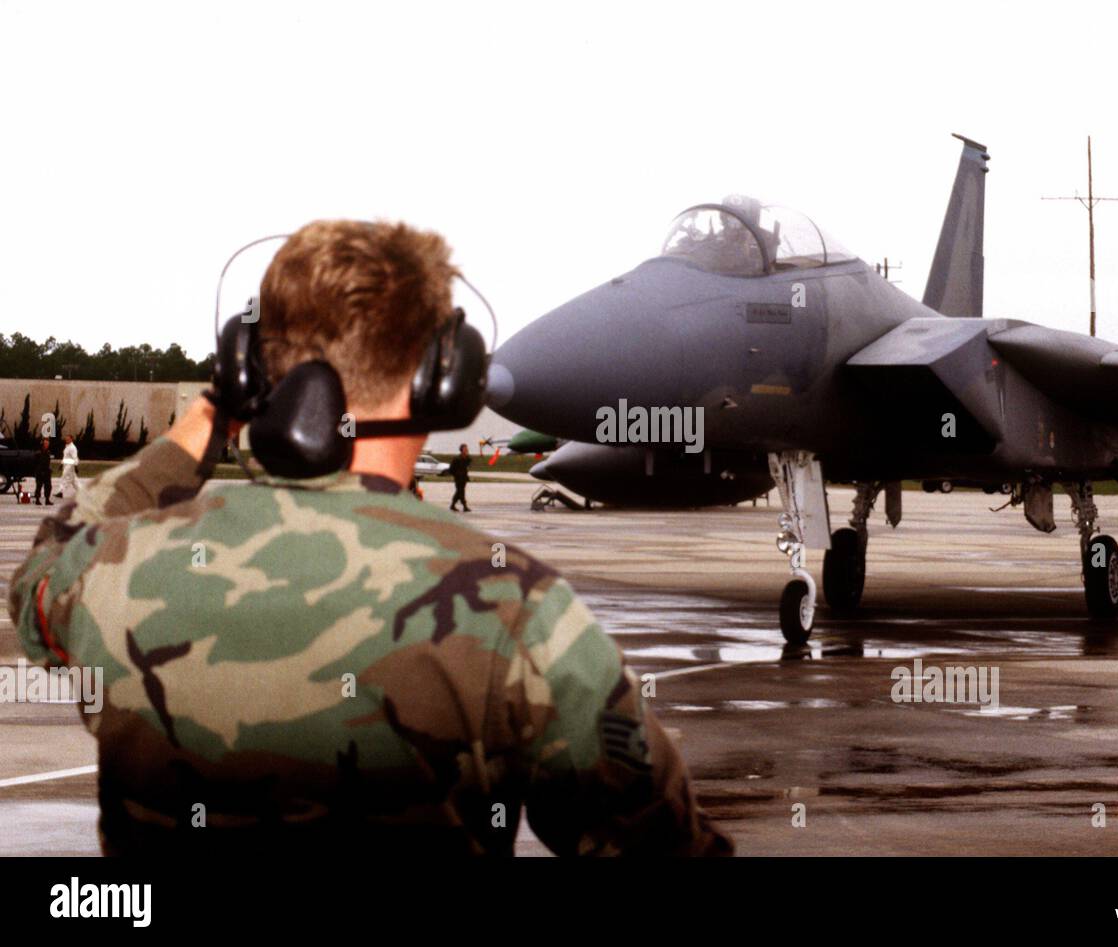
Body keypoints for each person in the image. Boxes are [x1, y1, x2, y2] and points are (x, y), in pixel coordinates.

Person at [7, 219, 731, 857]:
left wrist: (208, 417)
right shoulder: (517, 610)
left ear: (248, 371)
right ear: (443, 380)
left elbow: (41, 569)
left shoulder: (108, 573)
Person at [447, 442, 471, 512]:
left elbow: (469, 463)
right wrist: (456, 475)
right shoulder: (456, 459)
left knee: (459, 492)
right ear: (461, 449)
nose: (466, 449)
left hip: (464, 478)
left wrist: (467, 456)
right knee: (461, 492)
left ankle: (452, 505)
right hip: (458, 479)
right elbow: (451, 469)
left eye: (467, 448)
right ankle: (465, 506)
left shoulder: (467, 458)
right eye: (465, 448)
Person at [53, 433, 78, 499]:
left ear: (71, 439)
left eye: (68, 439)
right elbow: (65, 457)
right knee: (74, 481)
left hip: (70, 466)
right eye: (66, 439)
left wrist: (76, 466)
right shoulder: (67, 447)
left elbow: (75, 458)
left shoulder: (72, 448)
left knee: (64, 479)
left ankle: (60, 492)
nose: (66, 440)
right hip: (66, 465)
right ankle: (84, 492)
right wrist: (61, 464)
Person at [33, 438, 52, 505]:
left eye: (48, 444)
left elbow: (48, 462)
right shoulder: (38, 453)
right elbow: (35, 463)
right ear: (43, 444)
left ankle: (47, 499)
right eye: (45, 443)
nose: (47, 445)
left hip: (47, 472)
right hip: (40, 472)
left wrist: (49, 469)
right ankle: (37, 500)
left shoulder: (48, 452)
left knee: (48, 486)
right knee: (39, 486)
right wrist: (39, 471)